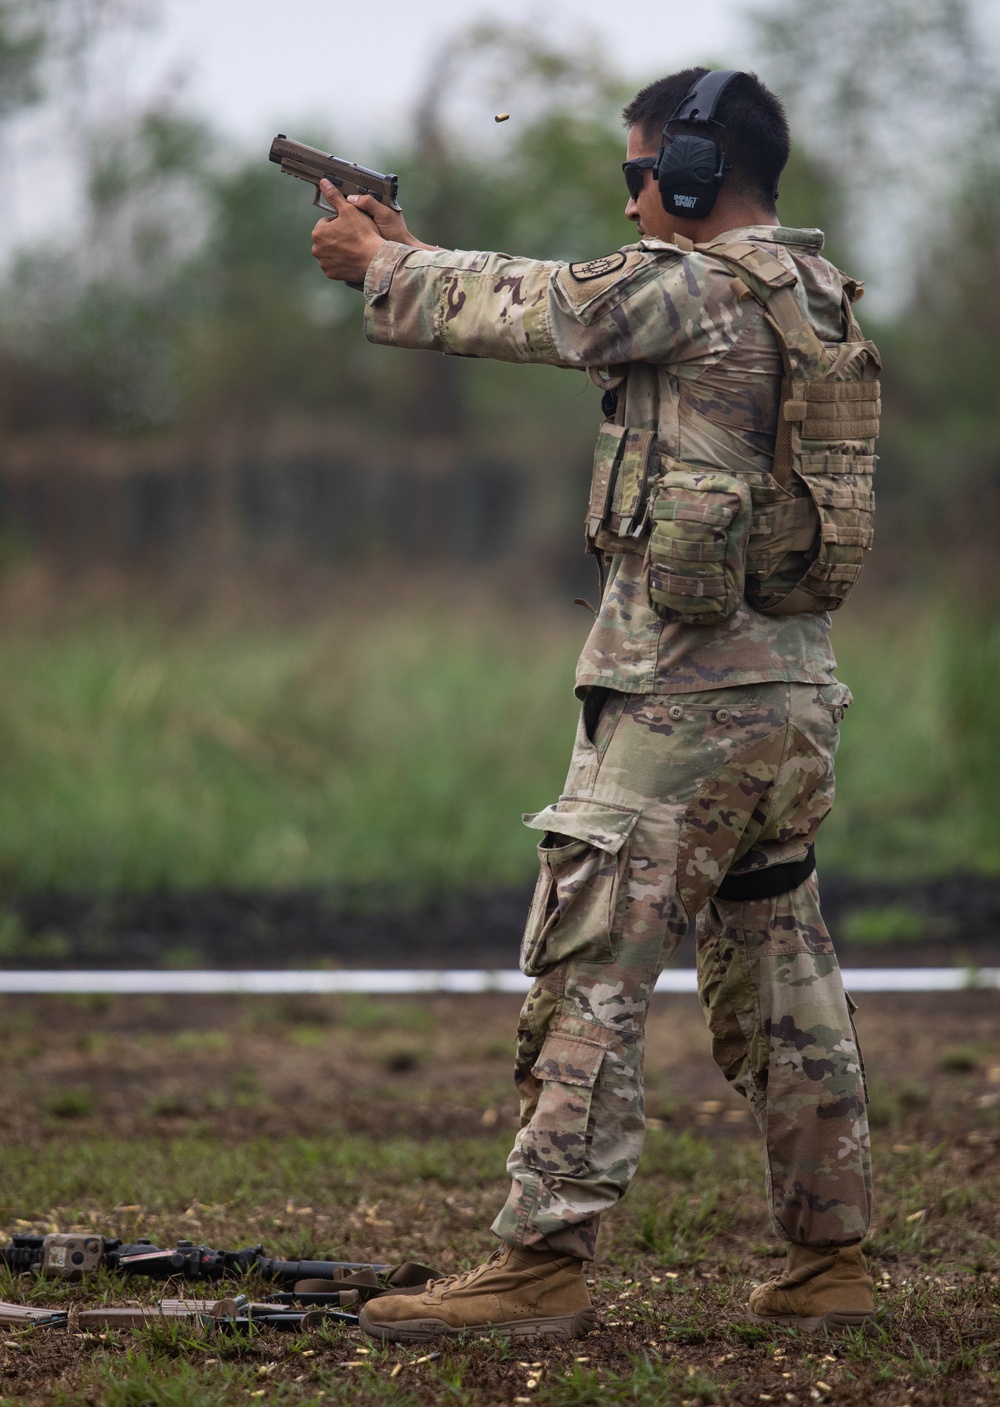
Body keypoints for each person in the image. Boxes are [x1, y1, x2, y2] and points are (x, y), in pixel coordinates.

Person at [309, 67, 877, 1343]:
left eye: (636, 177)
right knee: (780, 969)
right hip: (790, 697)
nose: (627, 207)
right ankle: (829, 1256)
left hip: (681, 707)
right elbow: (578, 302)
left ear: (683, 172)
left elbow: (542, 309)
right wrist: (417, 249)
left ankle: (540, 1262)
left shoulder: (695, 285)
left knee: (588, 972)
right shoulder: (817, 296)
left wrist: (382, 267)